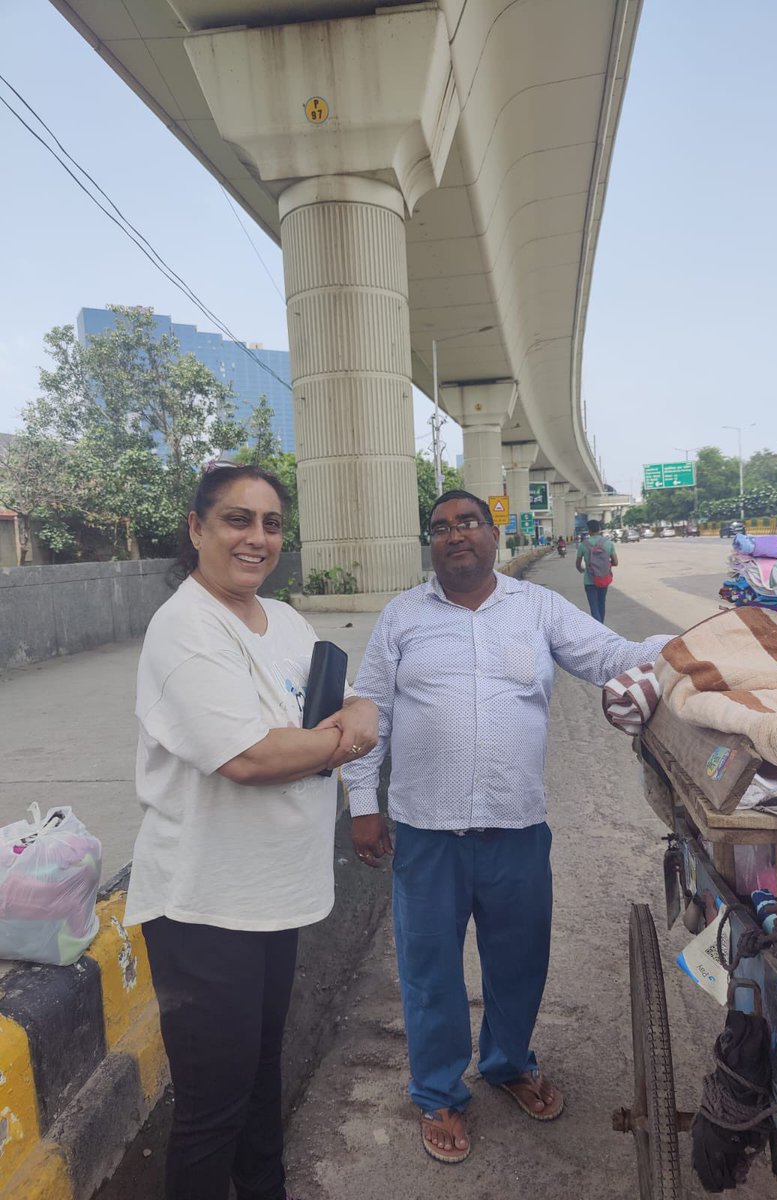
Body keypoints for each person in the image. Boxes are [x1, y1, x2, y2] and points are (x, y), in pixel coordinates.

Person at [342, 489, 670, 1165]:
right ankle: (437, 1094)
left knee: (519, 963)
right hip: (427, 835)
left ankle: (509, 1063)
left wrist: (685, 648)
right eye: (440, 527)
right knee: (429, 973)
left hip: (516, 829)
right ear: (429, 543)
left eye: (468, 523)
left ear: (494, 535)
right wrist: (361, 803)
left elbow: (613, 656)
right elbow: (365, 711)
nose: (455, 534)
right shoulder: (402, 616)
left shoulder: (538, 607)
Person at [124, 463, 378, 1200]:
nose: (256, 537)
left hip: (274, 898)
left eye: (270, 523)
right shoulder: (184, 629)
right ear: (197, 530)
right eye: (237, 519)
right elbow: (249, 755)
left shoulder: (284, 619)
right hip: (206, 910)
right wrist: (339, 742)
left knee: (262, 1080)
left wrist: (343, 727)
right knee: (213, 1111)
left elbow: (359, 702)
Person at [576, 518, 618, 624]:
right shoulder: (608, 543)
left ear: (589, 530)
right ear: (599, 529)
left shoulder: (583, 545)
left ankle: (598, 630)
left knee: (594, 607)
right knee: (601, 604)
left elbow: (578, 564)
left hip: (589, 581)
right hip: (604, 578)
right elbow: (616, 562)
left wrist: (582, 570)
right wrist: (606, 565)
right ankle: (602, 627)